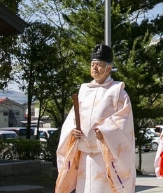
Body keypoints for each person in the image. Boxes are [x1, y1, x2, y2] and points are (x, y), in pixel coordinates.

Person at [55, 44, 136, 193]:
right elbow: (72, 119)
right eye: (92, 65)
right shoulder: (84, 91)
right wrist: (73, 131)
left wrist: (105, 132)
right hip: (84, 155)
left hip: (105, 157)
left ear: (109, 68)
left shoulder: (118, 92)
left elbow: (123, 122)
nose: (95, 68)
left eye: (99, 65)